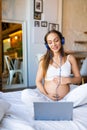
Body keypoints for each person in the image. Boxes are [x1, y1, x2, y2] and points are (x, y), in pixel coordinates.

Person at [36, 30, 82, 101]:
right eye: (50, 42)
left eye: (56, 40)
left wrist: (68, 80)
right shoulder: (43, 60)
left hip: (67, 97)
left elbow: (78, 79)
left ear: (62, 40)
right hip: (47, 97)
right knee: (25, 94)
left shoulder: (70, 58)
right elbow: (38, 81)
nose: (53, 44)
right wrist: (47, 95)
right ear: (47, 45)